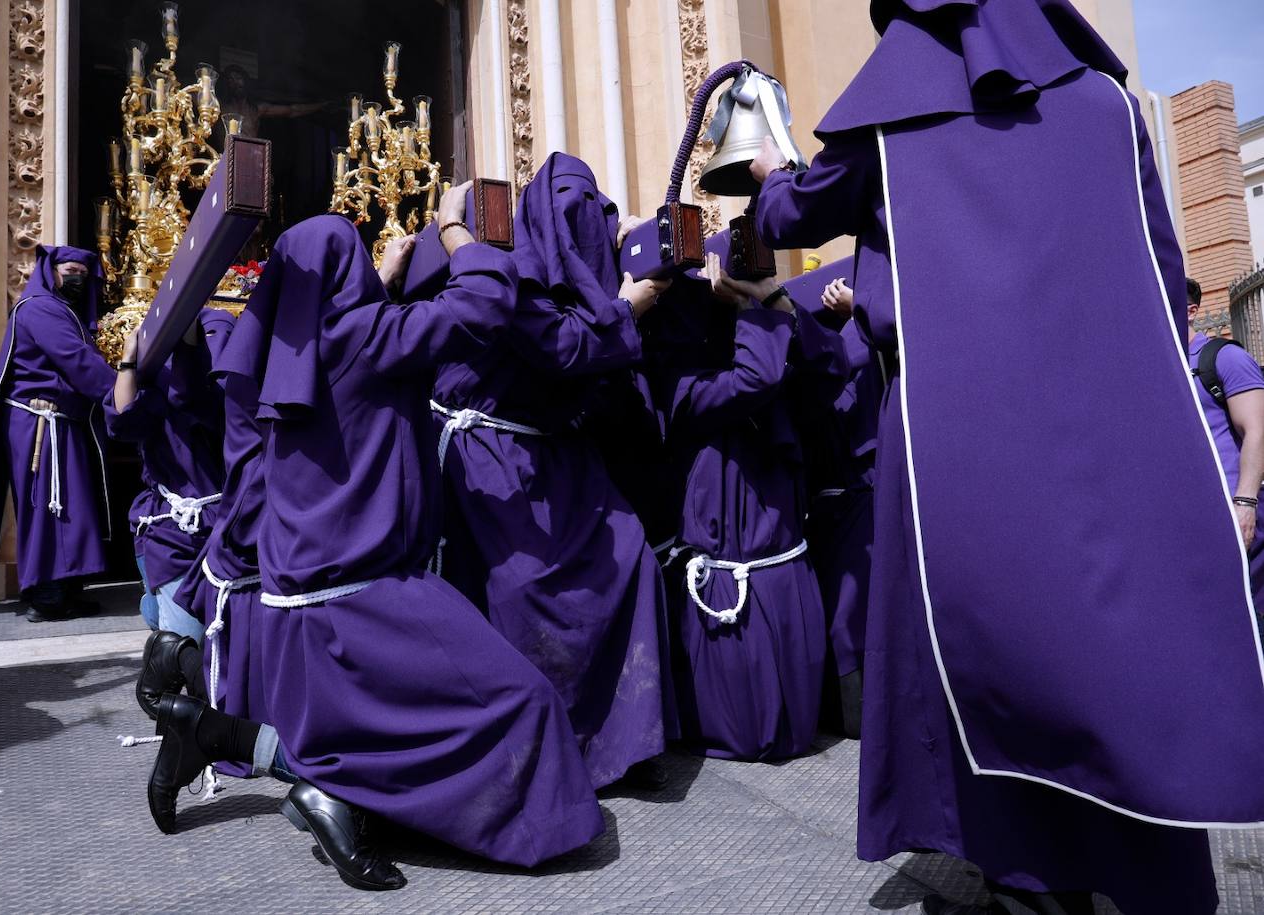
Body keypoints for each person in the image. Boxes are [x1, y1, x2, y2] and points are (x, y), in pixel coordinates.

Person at [753, 1, 1264, 913]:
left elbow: (790, 210)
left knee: (986, 647)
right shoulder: (1108, 103)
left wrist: (766, 171)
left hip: (951, 426)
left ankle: (1029, 878)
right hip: (1108, 416)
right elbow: (1160, 264)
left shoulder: (891, 118)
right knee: (1119, 645)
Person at [151, 185, 605, 886]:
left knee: (393, 731)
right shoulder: (366, 338)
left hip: (295, 612)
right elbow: (482, 303)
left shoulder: (279, 362)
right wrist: (455, 230)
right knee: (525, 702)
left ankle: (271, 763)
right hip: (370, 604)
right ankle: (361, 799)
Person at [431, 153, 675, 790]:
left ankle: (619, 741)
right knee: (521, 592)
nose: (585, 225)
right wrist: (626, 309)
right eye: (572, 213)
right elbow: (563, 348)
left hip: (558, 458)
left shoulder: (593, 278)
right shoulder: (506, 276)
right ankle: (536, 744)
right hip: (496, 464)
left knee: (632, 557)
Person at [649, 252, 841, 760]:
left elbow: (832, 366)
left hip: (777, 551)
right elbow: (754, 381)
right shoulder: (682, 385)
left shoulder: (768, 346)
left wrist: (770, 296)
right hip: (730, 561)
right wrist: (749, 310)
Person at [0, 246, 115, 622]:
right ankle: (47, 595)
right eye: (70, 269)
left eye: (84, 270)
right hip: (41, 424)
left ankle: (63, 590)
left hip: (61, 422)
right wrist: (125, 392)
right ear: (52, 272)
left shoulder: (62, 311)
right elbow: (78, 363)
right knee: (52, 509)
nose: (78, 276)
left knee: (71, 510)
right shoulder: (41, 307)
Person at [785, 266, 880, 739]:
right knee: (844, 612)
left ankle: (853, 717)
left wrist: (857, 311)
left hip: (854, 490)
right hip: (841, 493)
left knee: (847, 612)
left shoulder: (859, 341)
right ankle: (852, 718)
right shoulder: (833, 351)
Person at [106, 310, 233, 646]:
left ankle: (155, 606)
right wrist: (128, 360)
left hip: (224, 525)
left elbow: (194, 395)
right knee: (184, 645)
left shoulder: (232, 388)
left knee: (225, 631)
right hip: (169, 530)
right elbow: (122, 423)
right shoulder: (155, 385)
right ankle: (157, 607)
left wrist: (191, 337)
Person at [1185, 277, 1264, 605]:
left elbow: (1258, 431)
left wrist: (1245, 503)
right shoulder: (1160, 368)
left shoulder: (1224, 359)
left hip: (1238, 522)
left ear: (1191, 311)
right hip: (1191, 528)